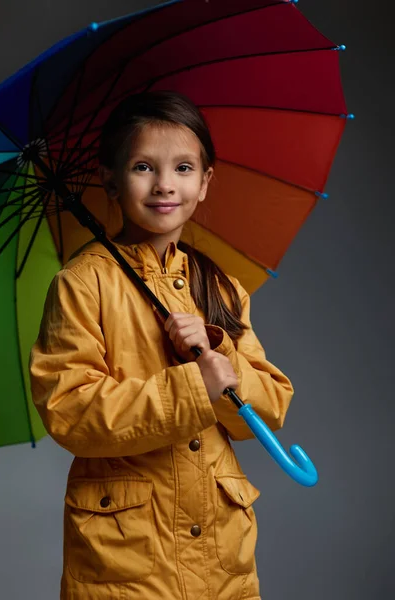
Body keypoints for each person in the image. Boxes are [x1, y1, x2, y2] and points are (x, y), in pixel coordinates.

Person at [29, 90, 294, 600]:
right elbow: (72, 410)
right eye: (144, 167)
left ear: (206, 181)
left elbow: (268, 410)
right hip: (127, 560)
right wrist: (195, 387)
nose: (165, 184)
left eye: (184, 167)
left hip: (223, 557)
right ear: (110, 178)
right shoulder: (83, 285)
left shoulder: (219, 288)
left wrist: (224, 359)